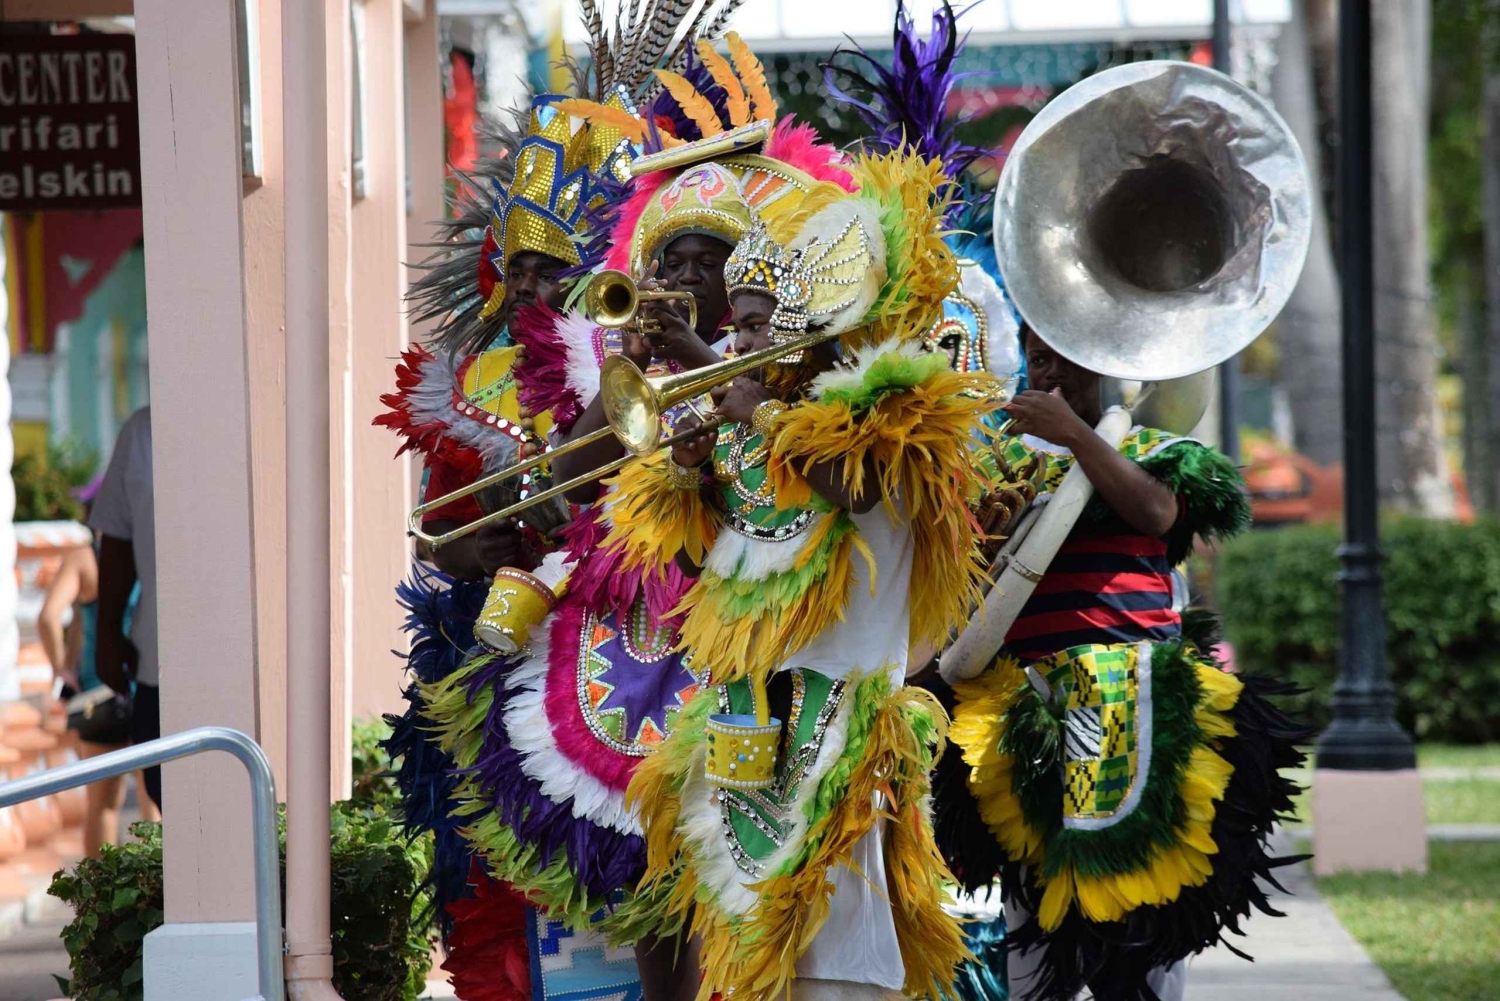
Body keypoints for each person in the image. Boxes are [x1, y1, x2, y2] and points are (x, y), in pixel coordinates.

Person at [600, 141, 1003, 999]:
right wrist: (693, 467)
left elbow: (858, 487)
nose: (739, 343)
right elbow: (715, 550)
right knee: (746, 924)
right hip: (751, 709)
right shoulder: (758, 418)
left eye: (753, 326)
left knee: (840, 940)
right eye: (736, 326)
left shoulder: (891, 406)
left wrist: (766, 416)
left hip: (848, 710)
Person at [930, 324, 1311, 1001]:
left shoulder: (1155, 451)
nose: (1049, 375)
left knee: (1143, 929)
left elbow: (1160, 512)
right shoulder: (1004, 461)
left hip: (1139, 710)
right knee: (1038, 927)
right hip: (1030, 713)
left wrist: (1077, 434)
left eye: (1067, 360)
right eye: (1038, 359)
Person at [38, 476, 157, 855]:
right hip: (145, 689)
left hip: (97, 695)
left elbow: (48, 617)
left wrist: (62, 669)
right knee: (151, 802)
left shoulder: (82, 558)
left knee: (102, 805)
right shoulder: (148, 552)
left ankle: (100, 902)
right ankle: (153, 899)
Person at [89, 406, 161, 811]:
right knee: (162, 786)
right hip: (156, 664)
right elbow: (116, 537)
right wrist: (107, 633)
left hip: (251, 661)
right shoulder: (142, 431)